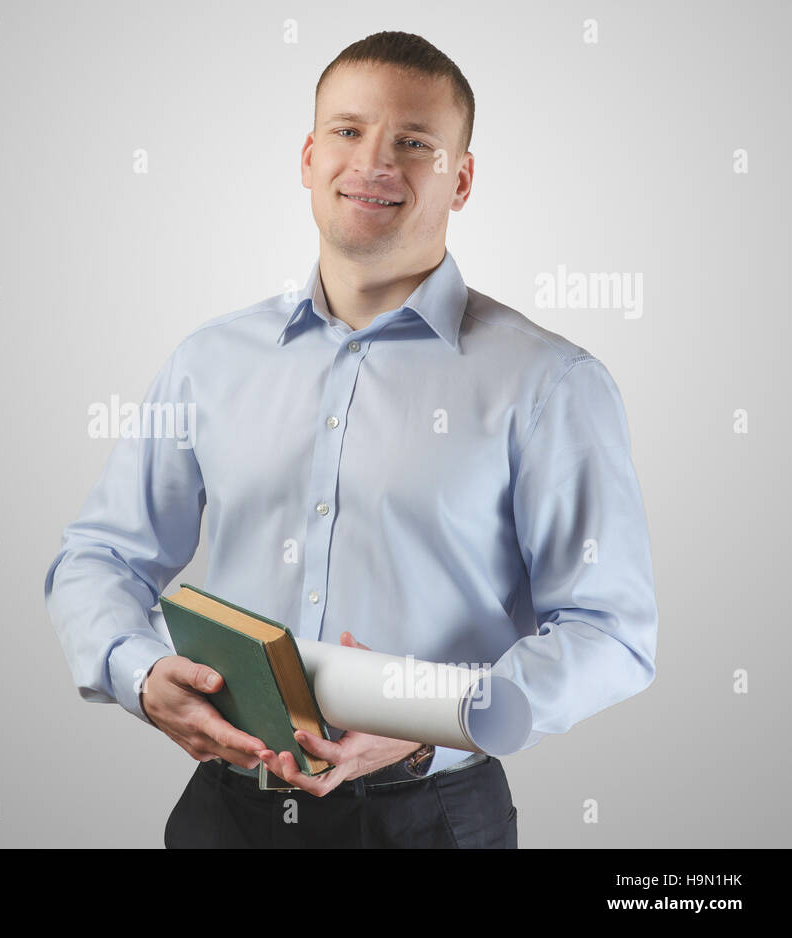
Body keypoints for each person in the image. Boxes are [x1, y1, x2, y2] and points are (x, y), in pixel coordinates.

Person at [43, 30, 658, 848]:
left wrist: (438, 720)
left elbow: (610, 632)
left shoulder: (549, 384)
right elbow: (100, 555)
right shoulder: (209, 363)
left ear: (461, 178)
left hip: (428, 820)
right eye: (347, 130)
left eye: (413, 142)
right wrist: (138, 670)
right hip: (223, 812)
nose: (374, 161)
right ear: (308, 157)